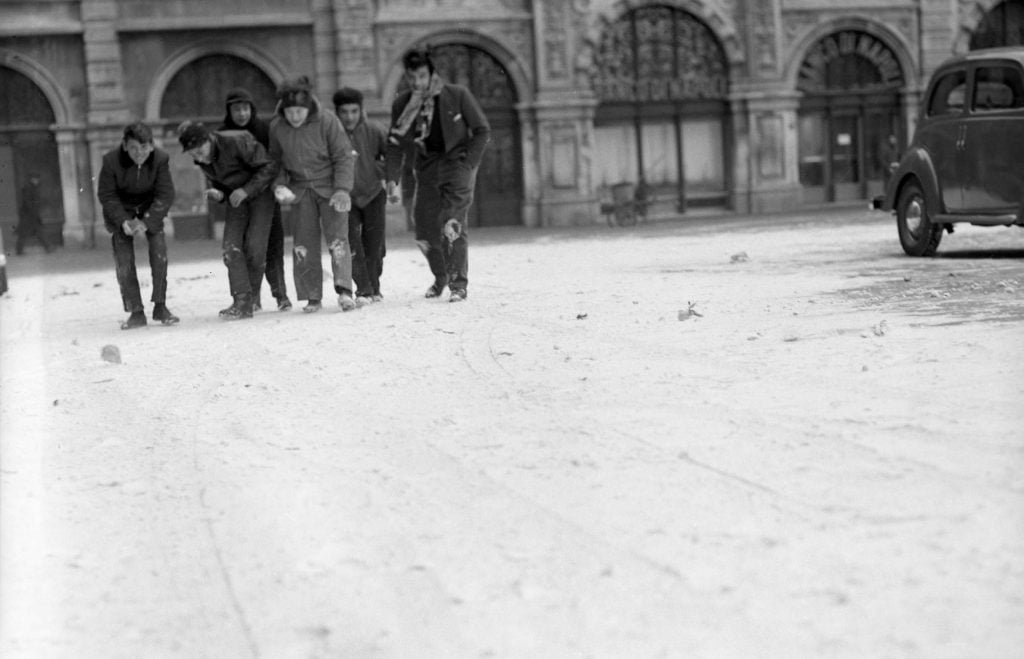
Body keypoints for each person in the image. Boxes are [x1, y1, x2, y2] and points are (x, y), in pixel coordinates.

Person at [385, 47, 491, 303]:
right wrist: (391, 178)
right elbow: (395, 143)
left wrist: (468, 163)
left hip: (457, 165)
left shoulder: (457, 95)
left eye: (421, 76)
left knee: (451, 222)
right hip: (427, 168)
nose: (417, 82)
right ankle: (441, 275)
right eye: (412, 78)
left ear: (432, 73)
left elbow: (481, 130)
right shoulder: (403, 103)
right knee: (423, 228)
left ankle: (458, 284)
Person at [268, 75, 356, 313]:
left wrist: (342, 189)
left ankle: (344, 290)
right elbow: (275, 162)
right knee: (303, 243)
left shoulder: (327, 121)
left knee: (338, 239)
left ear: (308, 107)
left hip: (330, 187)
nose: (294, 117)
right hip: (300, 190)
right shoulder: (277, 127)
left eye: (299, 111)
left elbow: (343, 156)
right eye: (290, 112)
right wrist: (279, 185)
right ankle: (312, 295)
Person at [178, 120, 279, 320]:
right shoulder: (201, 159)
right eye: (193, 153)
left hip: (261, 195)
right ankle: (242, 300)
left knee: (255, 247)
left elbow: (268, 167)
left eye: (200, 150)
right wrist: (220, 195)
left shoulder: (237, 141)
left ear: (209, 139)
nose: (198, 156)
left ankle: (252, 297)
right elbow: (222, 185)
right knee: (231, 248)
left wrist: (246, 190)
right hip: (236, 199)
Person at [97, 121, 178, 330]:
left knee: (159, 253)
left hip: (150, 209)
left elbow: (166, 193)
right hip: (121, 212)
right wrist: (123, 220)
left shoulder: (160, 159)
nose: (139, 153)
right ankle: (135, 311)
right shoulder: (111, 161)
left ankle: (160, 305)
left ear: (151, 145)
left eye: (143, 147)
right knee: (124, 260)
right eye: (133, 147)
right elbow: (107, 195)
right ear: (125, 146)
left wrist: (148, 221)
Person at [219, 87, 291, 311]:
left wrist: (275, 186)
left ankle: (281, 294)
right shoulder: (222, 134)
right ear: (229, 112)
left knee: (273, 246)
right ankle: (253, 296)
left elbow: (274, 161)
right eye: (236, 109)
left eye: (245, 108)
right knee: (246, 248)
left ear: (252, 109)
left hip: (266, 195)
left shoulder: (264, 129)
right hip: (239, 200)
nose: (241, 114)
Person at [333, 87, 388, 304]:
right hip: (346, 198)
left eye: (354, 111)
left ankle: (374, 286)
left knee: (375, 246)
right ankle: (363, 290)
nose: (349, 117)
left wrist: (381, 171)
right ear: (337, 112)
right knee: (353, 244)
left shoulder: (375, 129)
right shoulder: (332, 135)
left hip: (374, 193)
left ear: (361, 110)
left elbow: (391, 155)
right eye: (344, 112)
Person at [15, 173, 54, 255]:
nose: (37, 181)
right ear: (33, 179)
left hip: (31, 214)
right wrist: (33, 211)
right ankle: (19, 250)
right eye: (36, 179)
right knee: (25, 233)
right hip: (28, 214)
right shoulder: (29, 188)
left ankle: (48, 247)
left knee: (36, 231)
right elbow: (28, 201)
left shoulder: (32, 188)